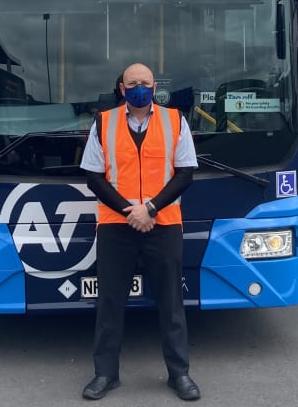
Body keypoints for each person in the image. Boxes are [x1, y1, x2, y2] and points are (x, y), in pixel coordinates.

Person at [79, 62, 201, 401]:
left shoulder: (175, 120)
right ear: (122, 88)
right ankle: (105, 375)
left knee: (171, 303)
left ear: (154, 87)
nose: (139, 89)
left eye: (145, 83)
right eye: (132, 83)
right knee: (110, 304)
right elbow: (93, 176)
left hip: (162, 225)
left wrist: (150, 209)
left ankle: (179, 374)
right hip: (117, 226)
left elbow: (185, 173)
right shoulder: (103, 123)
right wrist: (129, 211)